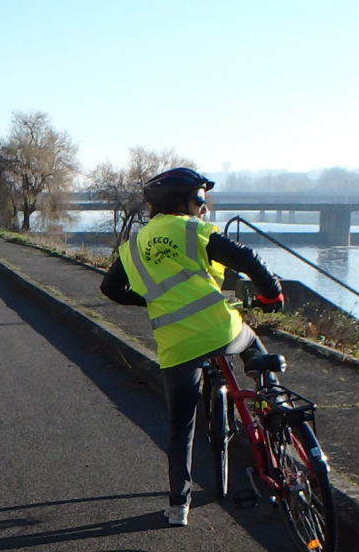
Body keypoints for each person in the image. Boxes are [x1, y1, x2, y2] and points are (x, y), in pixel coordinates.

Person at [100, 167, 283, 527]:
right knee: (253, 345)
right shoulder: (194, 230)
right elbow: (246, 259)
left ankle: (177, 507)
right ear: (185, 202)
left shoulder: (132, 247)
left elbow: (111, 290)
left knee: (181, 426)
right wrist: (271, 292)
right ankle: (273, 407)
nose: (203, 206)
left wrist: (155, 301)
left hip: (176, 346)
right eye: (200, 199)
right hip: (221, 328)